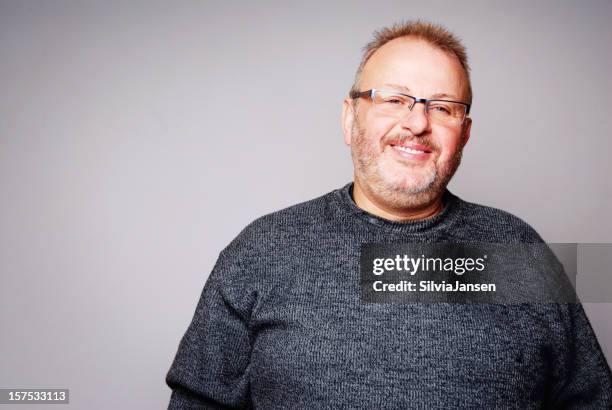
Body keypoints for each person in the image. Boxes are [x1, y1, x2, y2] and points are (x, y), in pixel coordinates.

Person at [166, 21, 612, 408]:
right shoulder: (263, 250)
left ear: (466, 133)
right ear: (349, 118)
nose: (418, 123)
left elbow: (590, 399)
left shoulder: (516, 251)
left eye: (442, 107)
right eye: (394, 99)